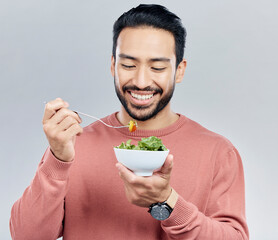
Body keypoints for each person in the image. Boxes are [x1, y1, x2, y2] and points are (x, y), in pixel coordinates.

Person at [10, 4, 249, 240]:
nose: (142, 81)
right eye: (128, 65)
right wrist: (58, 159)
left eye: (157, 67)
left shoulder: (218, 152)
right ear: (113, 65)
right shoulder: (72, 144)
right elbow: (26, 236)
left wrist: (167, 201)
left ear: (179, 70)